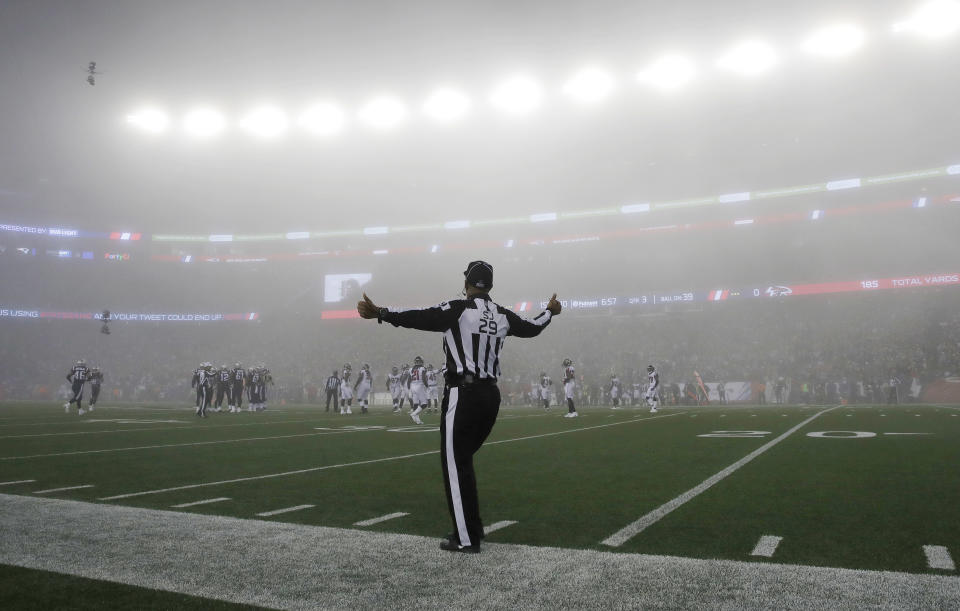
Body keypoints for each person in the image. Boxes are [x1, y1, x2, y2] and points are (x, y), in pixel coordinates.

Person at [357, 260, 561, 553]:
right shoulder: (502, 315)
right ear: (489, 286)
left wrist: (381, 313)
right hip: (491, 397)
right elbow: (532, 327)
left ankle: (466, 538)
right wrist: (550, 312)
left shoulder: (459, 309)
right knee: (462, 461)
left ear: (467, 283)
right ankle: (472, 527)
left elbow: (421, 317)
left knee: (454, 464)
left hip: (462, 394)